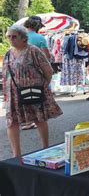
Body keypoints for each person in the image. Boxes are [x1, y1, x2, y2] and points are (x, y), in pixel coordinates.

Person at [2, 25, 63, 157]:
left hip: (33, 90)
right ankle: (16, 154)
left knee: (39, 119)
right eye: (9, 37)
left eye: (14, 36)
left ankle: (46, 147)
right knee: (12, 122)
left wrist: (42, 86)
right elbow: (5, 74)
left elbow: (48, 71)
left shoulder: (33, 51)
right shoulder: (8, 53)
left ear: (24, 38)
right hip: (14, 93)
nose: (11, 39)